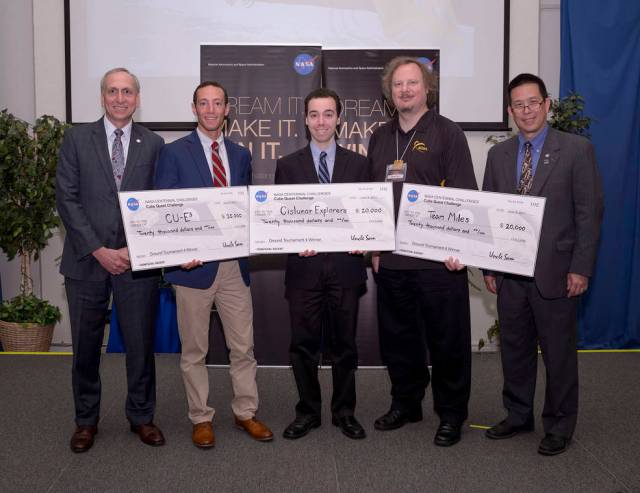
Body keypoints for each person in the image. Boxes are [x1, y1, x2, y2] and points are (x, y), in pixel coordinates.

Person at [482, 73, 604, 456]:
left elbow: (589, 214)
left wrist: (580, 268)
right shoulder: (497, 155)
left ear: (547, 104)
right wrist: (488, 266)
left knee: (558, 353)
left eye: (533, 102)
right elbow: (490, 213)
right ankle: (518, 415)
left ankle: (559, 424)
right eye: (518, 105)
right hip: (510, 273)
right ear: (509, 111)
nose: (527, 110)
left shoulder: (576, 150)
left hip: (557, 271)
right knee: (514, 349)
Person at [155, 81, 273, 448]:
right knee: (194, 351)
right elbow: (165, 208)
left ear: (227, 109)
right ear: (194, 109)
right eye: (203, 103)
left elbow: (246, 208)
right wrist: (178, 252)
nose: (210, 109)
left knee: (244, 347)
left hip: (233, 267)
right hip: (192, 269)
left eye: (217, 103)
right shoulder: (173, 153)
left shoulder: (240, 155)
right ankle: (200, 417)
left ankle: (245, 412)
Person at [367, 56, 477, 447]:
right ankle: (406, 402)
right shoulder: (380, 137)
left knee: (447, 340)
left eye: (412, 83)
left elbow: (464, 197)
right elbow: (373, 200)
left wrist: (458, 248)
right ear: (389, 91)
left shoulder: (449, 133)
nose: (405, 90)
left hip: (438, 261)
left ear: (426, 87)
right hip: (393, 260)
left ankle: (451, 413)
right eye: (398, 85)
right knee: (399, 338)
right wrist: (375, 247)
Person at [56, 67, 165, 453]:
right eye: (113, 91)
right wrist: (99, 249)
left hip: (137, 263)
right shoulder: (76, 139)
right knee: (86, 348)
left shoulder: (153, 143)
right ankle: (86, 420)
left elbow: (159, 204)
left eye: (128, 92)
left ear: (137, 98)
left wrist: (135, 250)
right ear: (102, 97)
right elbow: (66, 199)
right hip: (87, 262)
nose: (120, 98)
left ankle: (142, 416)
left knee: (140, 345)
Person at [275, 88, 370, 440]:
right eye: (314, 114)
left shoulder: (360, 165)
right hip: (304, 272)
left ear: (339, 119)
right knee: (302, 346)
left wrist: (363, 239)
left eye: (328, 114)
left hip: (345, 270)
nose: (321, 121)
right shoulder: (287, 166)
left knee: (345, 345)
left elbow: (367, 217)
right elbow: (281, 220)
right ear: (305, 119)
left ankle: (345, 411)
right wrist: (293, 241)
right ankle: (308, 412)